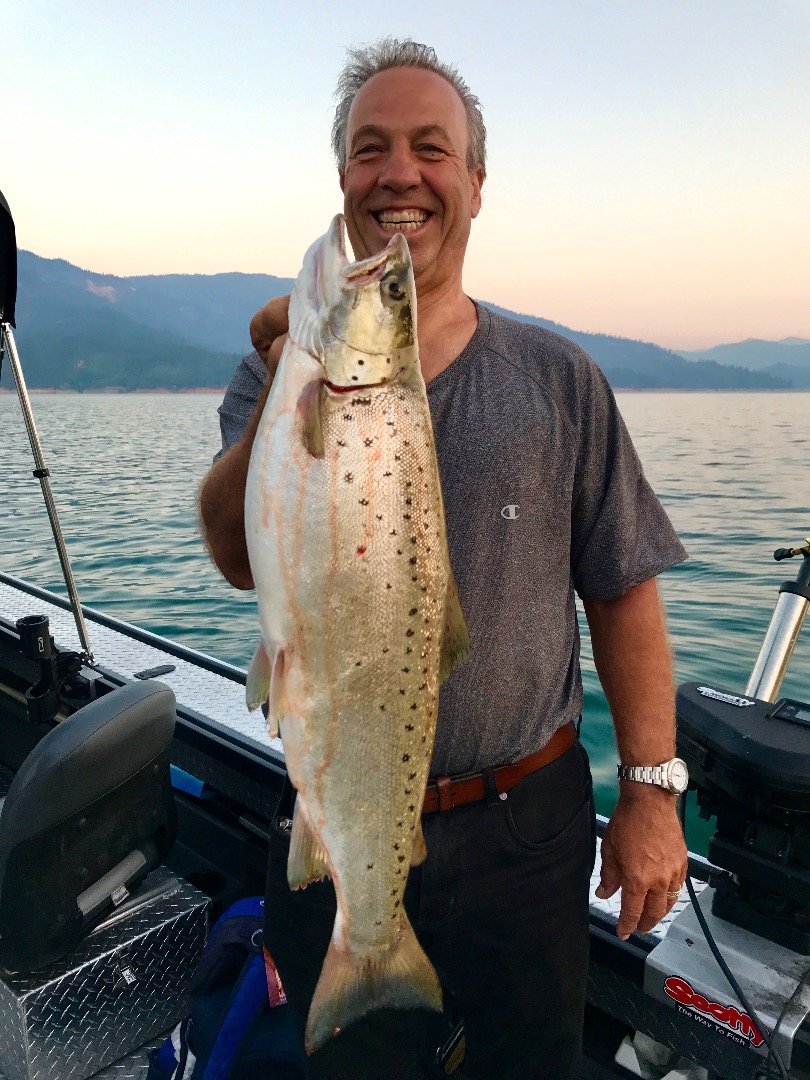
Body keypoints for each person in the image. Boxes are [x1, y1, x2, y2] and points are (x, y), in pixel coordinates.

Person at [198, 38, 689, 1080]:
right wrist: (287, 380)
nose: (401, 173)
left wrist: (651, 792)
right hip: (334, 811)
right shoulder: (281, 367)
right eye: (372, 150)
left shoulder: (559, 377)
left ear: (474, 183)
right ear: (344, 182)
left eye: (433, 149)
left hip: (528, 827)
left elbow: (624, 590)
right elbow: (236, 556)